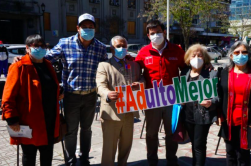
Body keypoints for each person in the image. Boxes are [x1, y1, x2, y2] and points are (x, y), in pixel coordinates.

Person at [13, 13, 107, 166]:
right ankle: (70, 161)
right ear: (77, 28)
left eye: (91, 27)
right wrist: (23, 59)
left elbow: (106, 69)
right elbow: (44, 59)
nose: (88, 30)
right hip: (71, 96)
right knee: (70, 131)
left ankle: (84, 160)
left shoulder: (101, 48)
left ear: (95, 29)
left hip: (91, 96)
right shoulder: (65, 43)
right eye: (84, 27)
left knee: (87, 129)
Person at [1, 34, 64, 166]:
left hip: (50, 119)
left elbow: (51, 85)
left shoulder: (48, 65)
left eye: (43, 46)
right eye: (36, 46)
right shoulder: (19, 67)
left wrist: (59, 92)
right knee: (29, 156)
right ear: (28, 48)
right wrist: (12, 119)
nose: (40, 49)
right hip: (29, 121)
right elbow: (8, 97)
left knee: (47, 154)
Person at [135, 20, 186, 166]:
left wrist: (206, 65)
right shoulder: (143, 52)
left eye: (158, 32)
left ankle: (171, 160)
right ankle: (152, 161)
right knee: (151, 134)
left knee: (171, 133)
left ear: (164, 32)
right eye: (152, 33)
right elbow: (135, 71)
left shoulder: (176, 50)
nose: (155, 35)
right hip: (152, 99)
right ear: (148, 35)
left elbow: (187, 69)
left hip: (172, 98)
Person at [96, 36, 145, 166]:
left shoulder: (134, 65)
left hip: (129, 112)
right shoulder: (104, 65)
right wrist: (107, 93)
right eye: (118, 46)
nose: (121, 49)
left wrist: (139, 84)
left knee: (126, 146)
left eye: (124, 46)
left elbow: (142, 79)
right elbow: (100, 85)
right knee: (109, 149)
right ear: (112, 49)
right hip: (111, 113)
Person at [180, 44, 219, 166]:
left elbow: (218, 96)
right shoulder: (184, 72)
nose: (197, 58)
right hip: (187, 115)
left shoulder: (211, 73)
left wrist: (211, 103)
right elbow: (180, 91)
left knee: (199, 145)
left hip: (203, 116)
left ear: (205, 58)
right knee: (194, 143)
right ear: (188, 58)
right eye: (194, 55)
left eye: (200, 55)